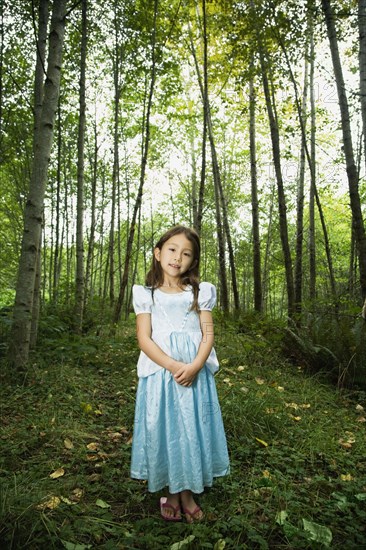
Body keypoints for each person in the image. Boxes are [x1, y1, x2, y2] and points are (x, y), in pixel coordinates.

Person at [130, 225, 229, 523]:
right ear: (158, 253)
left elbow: (207, 333)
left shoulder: (201, 291)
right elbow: (144, 338)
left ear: (193, 261)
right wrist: (174, 366)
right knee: (168, 429)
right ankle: (171, 491)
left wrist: (196, 364)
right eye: (172, 250)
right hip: (163, 374)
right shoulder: (145, 294)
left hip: (194, 372)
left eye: (186, 254)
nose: (178, 258)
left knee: (192, 426)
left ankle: (188, 492)